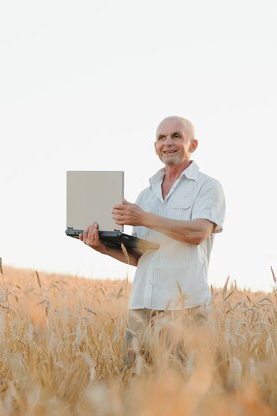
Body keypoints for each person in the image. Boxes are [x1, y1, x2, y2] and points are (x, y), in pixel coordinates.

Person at [78, 116, 225, 366]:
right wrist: (100, 246)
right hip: (142, 310)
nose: (168, 143)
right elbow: (139, 256)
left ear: (193, 144)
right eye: (161, 138)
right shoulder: (145, 196)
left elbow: (198, 233)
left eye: (176, 136)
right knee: (133, 387)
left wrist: (144, 218)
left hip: (186, 309)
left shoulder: (208, 187)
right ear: (155, 146)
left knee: (183, 391)